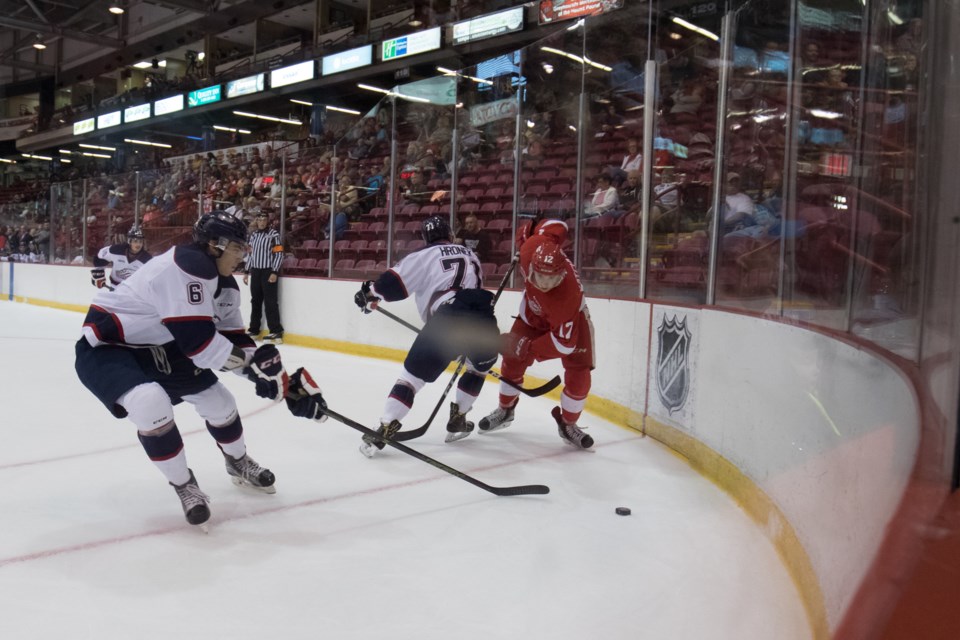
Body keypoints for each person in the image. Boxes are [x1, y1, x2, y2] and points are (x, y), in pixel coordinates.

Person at [74, 211, 301, 528]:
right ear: (215, 245)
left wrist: (272, 373)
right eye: (238, 248)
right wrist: (254, 372)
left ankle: (237, 462)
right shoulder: (185, 266)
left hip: (163, 345)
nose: (243, 256)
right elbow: (201, 346)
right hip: (109, 346)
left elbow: (231, 335)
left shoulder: (224, 283)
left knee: (219, 402)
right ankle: (184, 485)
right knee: (150, 403)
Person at [353, 215, 500, 456]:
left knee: (411, 378)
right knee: (477, 368)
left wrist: (370, 293)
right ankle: (459, 417)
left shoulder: (424, 254)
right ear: (450, 234)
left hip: (448, 320)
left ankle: (386, 425)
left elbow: (393, 284)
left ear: (426, 237)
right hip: (483, 319)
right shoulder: (470, 254)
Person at [479, 219, 596, 450]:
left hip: (573, 321)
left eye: (551, 278)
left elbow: (563, 344)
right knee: (512, 358)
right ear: (531, 264)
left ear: (561, 274)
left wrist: (528, 347)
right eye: (540, 276)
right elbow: (555, 225)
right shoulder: (529, 249)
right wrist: (526, 232)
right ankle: (505, 410)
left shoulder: (566, 299)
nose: (544, 283)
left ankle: (568, 424)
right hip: (532, 313)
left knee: (579, 373)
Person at [243, 211, 284, 344]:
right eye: (260, 219)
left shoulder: (274, 235)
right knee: (255, 300)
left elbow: (279, 254)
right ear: (256, 221)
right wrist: (246, 270)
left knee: (270, 302)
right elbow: (251, 254)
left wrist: (274, 272)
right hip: (255, 271)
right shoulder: (253, 235)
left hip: (268, 271)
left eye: (264, 219)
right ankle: (254, 329)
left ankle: (276, 331)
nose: (262, 222)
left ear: (267, 221)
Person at [91, 224, 153, 289]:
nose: (138, 244)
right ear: (130, 241)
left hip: (134, 290)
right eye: (135, 241)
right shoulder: (116, 250)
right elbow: (100, 258)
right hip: (115, 287)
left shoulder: (147, 259)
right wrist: (98, 273)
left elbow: (152, 276)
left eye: (140, 242)